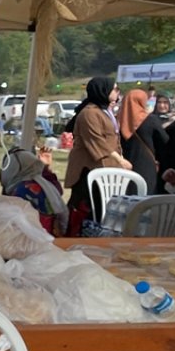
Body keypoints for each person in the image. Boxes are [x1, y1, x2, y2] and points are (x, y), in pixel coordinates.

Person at [64, 77, 132, 236]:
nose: (117, 93)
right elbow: (96, 140)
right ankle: (78, 238)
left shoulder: (105, 110)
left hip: (106, 167)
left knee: (103, 209)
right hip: (88, 170)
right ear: (103, 91)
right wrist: (120, 160)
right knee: (85, 208)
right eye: (114, 89)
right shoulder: (89, 113)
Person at [0, 146, 68, 236]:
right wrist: (47, 168)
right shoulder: (43, 183)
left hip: (29, 239)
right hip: (50, 236)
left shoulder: (22, 190)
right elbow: (59, 191)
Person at [118, 88, 167, 195]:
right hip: (147, 164)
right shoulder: (150, 120)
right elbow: (165, 140)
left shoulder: (118, 120)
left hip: (125, 164)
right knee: (146, 196)